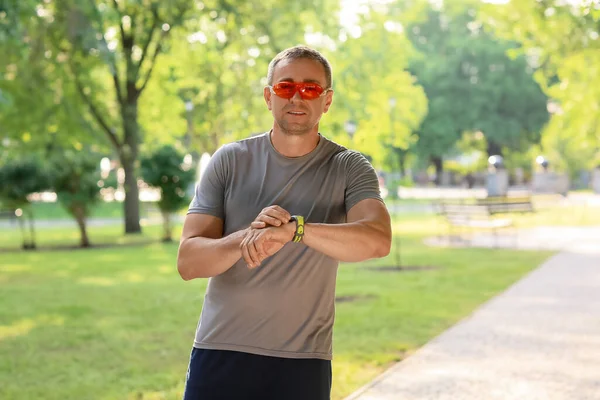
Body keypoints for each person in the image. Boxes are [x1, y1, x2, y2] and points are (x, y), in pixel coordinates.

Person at [177, 45, 392, 400]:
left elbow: (377, 240)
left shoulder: (349, 167)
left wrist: (296, 230)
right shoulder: (230, 161)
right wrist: (249, 236)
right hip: (220, 351)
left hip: (302, 360)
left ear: (326, 100)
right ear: (268, 96)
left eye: (310, 89)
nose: (297, 97)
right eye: (285, 87)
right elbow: (188, 262)